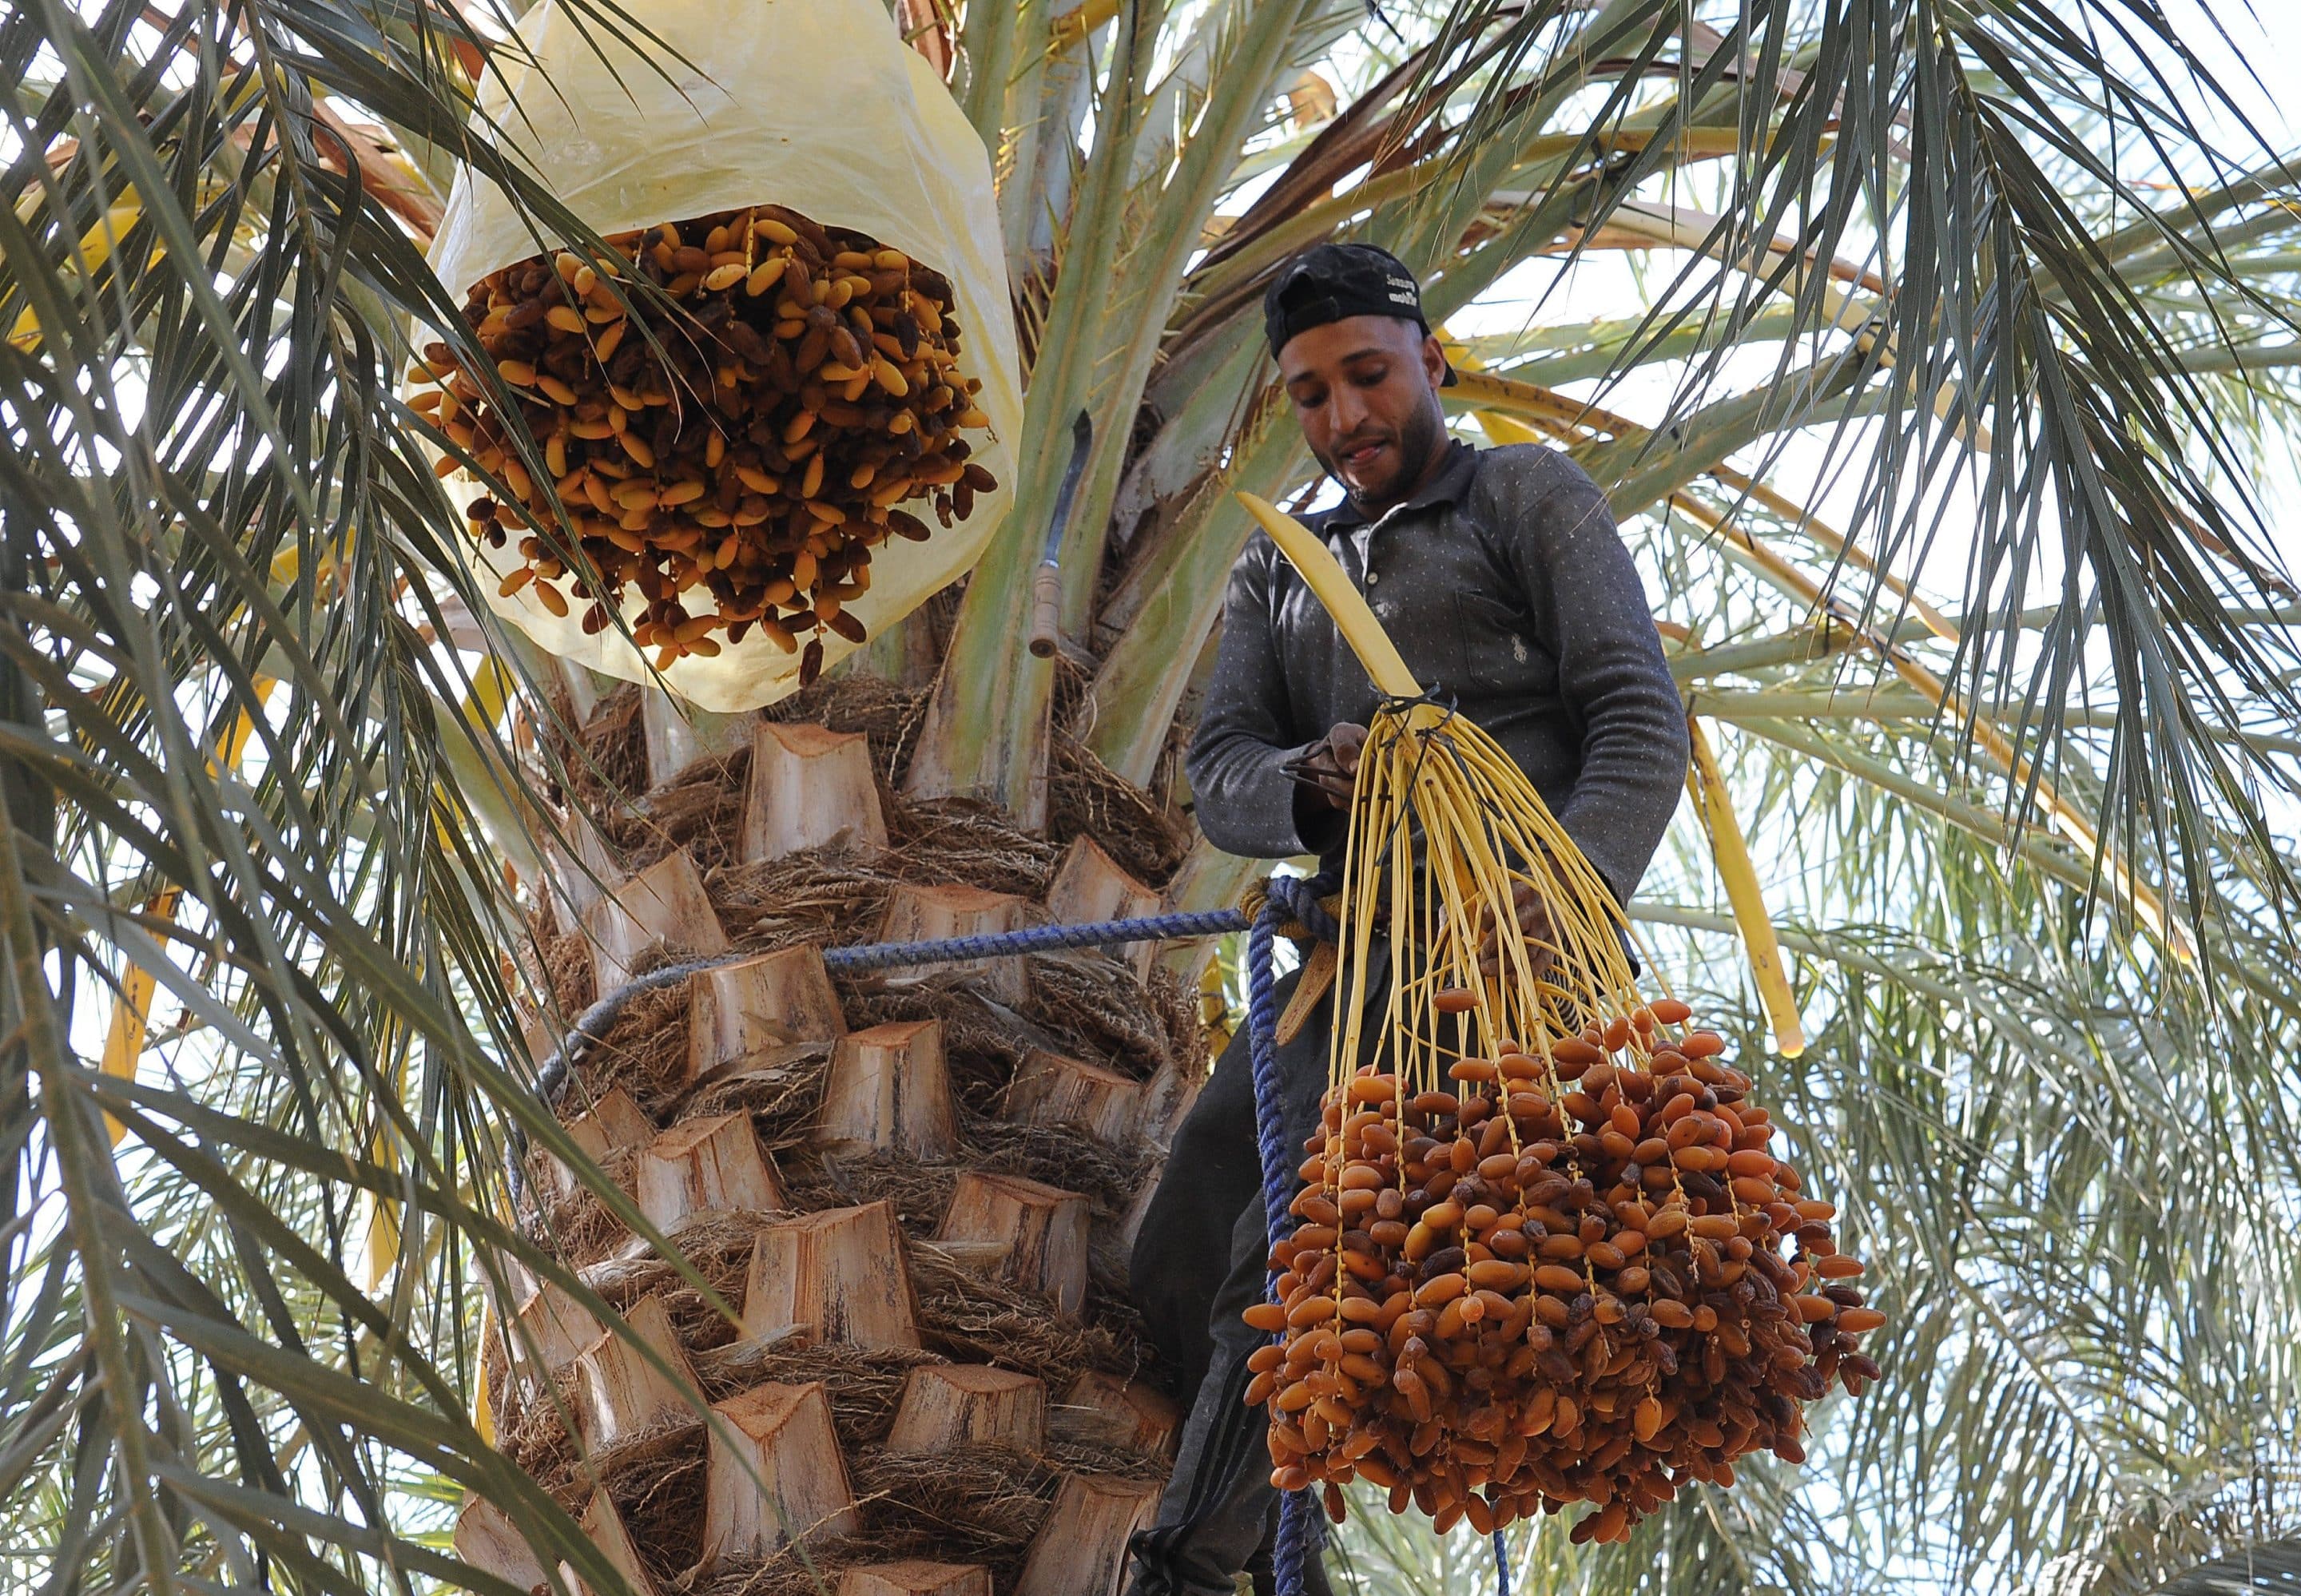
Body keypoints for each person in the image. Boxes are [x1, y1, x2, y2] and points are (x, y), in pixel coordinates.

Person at [1123, 243, 1691, 1596]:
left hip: (1497, 967)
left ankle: (1201, 1571)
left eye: (1368, 377)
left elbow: (1636, 716)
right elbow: (1221, 776)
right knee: (1181, 1249)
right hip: (1348, 959)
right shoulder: (1285, 571)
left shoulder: (1527, 497)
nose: (1344, 419)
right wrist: (1306, 782)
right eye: (1310, 396)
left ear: (1432, 359)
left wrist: (1554, 904)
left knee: (1304, 1251)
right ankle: (1233, 1537)